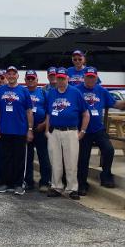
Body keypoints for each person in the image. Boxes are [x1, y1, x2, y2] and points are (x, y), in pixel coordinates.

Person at [77, 67, 125, 194]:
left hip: (98, 129)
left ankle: (106, 176)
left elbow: (115, 104)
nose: (90, 79)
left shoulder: (102, 91)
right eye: (88, 76)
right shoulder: (77, 90)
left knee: (109, 150)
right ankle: (82, 184)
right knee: (83, 157)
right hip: (83, 130)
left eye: (93, 77)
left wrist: (124, 103)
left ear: (96, 77)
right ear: (84, 77)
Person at [45, 68, 90, 200]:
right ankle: (56, 187)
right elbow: (48, 113)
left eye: (63, 78)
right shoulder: (51, 93)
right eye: (58, 78)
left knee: (71, 162)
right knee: (55, 161)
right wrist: (47, 130)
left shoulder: (75, 92)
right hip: (54, 131)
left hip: (70, 131)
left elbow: (85, 113)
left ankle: (72, 188)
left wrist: (82, 131)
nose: (60, 80)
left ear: (68, 78)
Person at [0, 66, 33, 195]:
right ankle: (5, 183)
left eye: (13, 74)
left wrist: (30, 129)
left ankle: (18, 184)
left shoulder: (23, 91)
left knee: (19, 159)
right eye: (8, 74)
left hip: (20, 131)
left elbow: (29, 111)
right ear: (6, 76)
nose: (11, 76)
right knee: (5, 158)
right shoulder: (0, 90)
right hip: (4, 130)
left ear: (17, 76)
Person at [24, 70, 51, 192]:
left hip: (40, 128)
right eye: (28, 79)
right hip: (26, 130)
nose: (30, 81)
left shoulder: (43, 92)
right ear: (25, 80)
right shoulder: (23, 92)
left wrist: (44, 124)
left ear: (37, 80)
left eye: (32, 79)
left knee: (43, 156)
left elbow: (49, 112)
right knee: (27, 156)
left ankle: (45, 181)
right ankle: (28, 181)